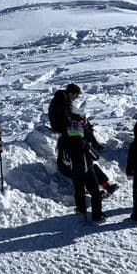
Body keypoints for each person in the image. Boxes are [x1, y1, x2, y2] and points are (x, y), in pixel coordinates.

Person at [47, 83, 106, 222]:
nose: (76, 98)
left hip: (74, 172)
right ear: (71, 93)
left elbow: (64, 160)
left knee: (78, 190)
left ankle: (81, 212)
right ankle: (97, 215)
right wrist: (79, 121)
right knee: (94, 191)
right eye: (76, 95)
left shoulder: (64, 144)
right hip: (85, 169)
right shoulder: (83, 144)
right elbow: (94, 157)